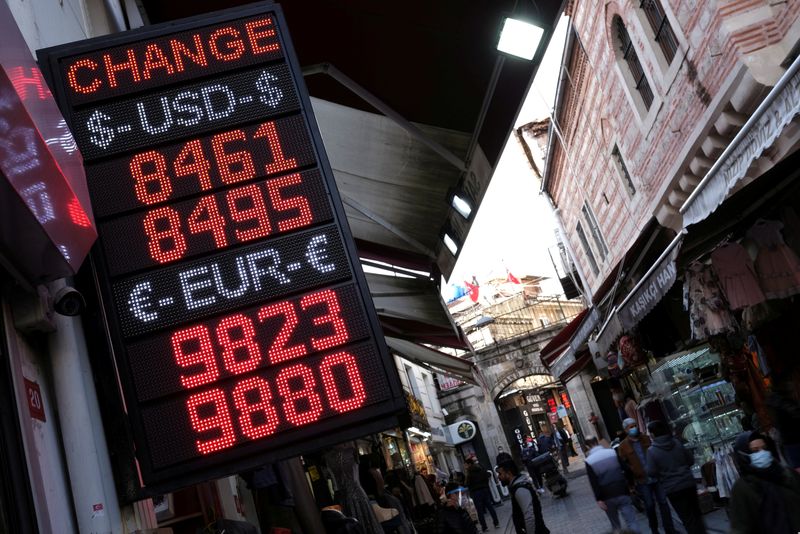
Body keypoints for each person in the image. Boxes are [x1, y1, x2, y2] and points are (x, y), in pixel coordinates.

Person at [729, 431, 800, 533]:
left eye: (765, 448)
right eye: (755, 450)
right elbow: (740, 527)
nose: (762, 453)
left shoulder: (786, 474)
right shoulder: (743, 488)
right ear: (743, 455)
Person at [617, 418, 677, 534]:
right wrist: (631, 483)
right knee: (649, 505)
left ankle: (670, 529)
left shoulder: (646, 438)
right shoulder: (623, 446)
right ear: (625, 430)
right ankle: (654, 529)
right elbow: (624, 466)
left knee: (663, 503)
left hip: (656, 476)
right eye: (631, 427)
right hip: (642, 480)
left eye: (635, 425)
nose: (634, 428)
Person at [645, 420, 706, 534]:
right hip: (688, 483)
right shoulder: (677, 443)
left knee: (687, 519)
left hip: (673, 488)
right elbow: (690, 460)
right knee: (697, 515)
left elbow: (651, 472)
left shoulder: (652, 451)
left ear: (653, 434)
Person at [584, 435, 641, 533]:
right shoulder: (612, 452)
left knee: (616, 526)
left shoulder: (589, 461)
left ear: (587, 446)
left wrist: (599, 499)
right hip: (622, 490)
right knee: (632, 521)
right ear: (597, 441)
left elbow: (594, 482)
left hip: (607, 497)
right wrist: (631, 485)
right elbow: (627, 469)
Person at [496, 459, 550, 534]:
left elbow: (529, 517)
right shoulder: (517, 486)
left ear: (508, 473)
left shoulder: (520, 489)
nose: (498, 477)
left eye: (500, 474)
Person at [465, 456, 499, 532]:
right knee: (490, 507)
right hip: (484, 490)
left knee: (480, 511)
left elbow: (467, 483)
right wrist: (485, 486)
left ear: (469, 464)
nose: (465, 466)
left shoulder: (469, 473)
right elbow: (486, 477)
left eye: (466, 465)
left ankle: (484, 527)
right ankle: (496, 523)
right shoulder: (480, 468)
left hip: (476, 492)